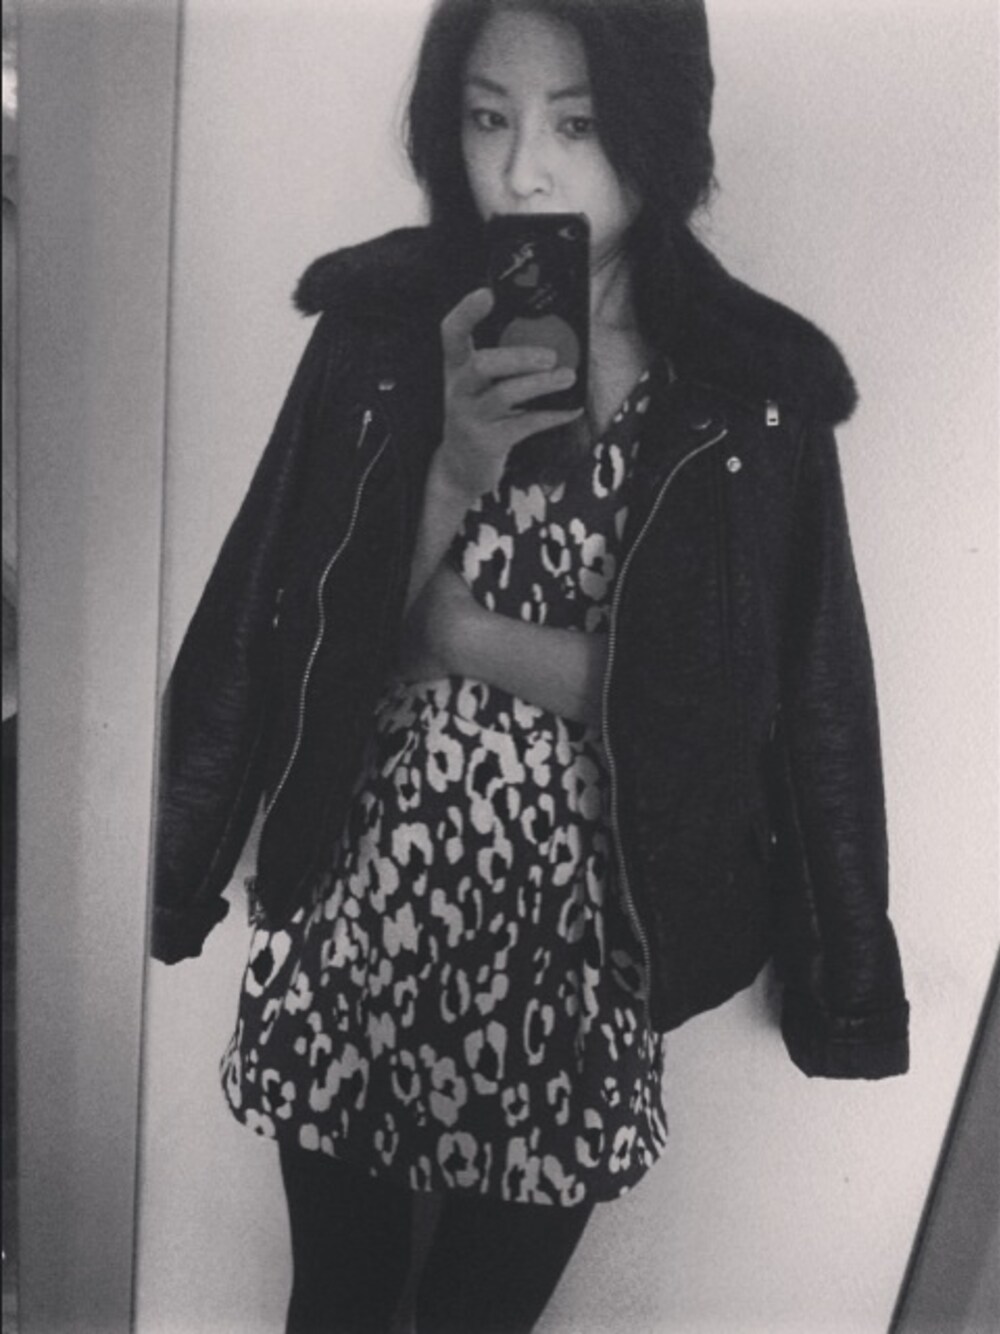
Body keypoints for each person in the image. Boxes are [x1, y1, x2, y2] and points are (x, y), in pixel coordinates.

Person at [151, 1, 910, 1329]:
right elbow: (286, 612)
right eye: (487, 118)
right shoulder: (380, 331)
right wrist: (452, 469)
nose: (523, 170)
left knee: (480, 1320)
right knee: (334, 1300)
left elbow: (770, 700)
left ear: (658, 130)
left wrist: (462, 637)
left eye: (577, 123)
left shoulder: (748, 390)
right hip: (366, 902)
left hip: (590, 938)